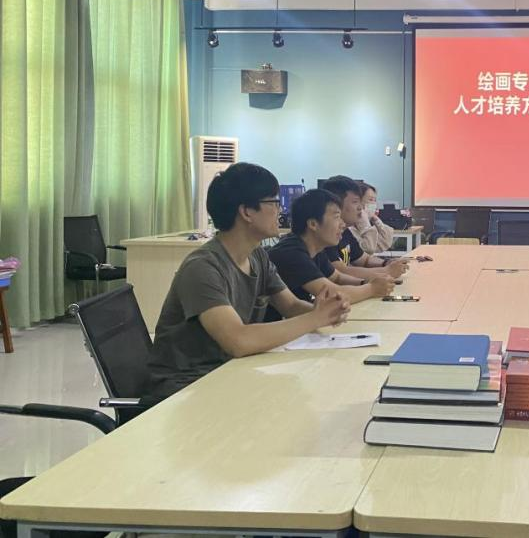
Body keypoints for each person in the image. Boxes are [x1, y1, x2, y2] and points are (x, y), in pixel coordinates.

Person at [142, 163, 351, 404]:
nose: (280, 209)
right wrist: (315, 318)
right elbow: (238, 340)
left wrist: (327, 311)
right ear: (247, 212)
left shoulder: (257, 256)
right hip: (184, 390)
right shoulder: (202, 267)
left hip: (228, 374)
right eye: (273, 202)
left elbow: (291, 306)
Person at [266, 188, 395, 321]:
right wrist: (372, 288)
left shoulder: (315, 248)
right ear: (313, 224)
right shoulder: (291, 253)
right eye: (337, 217)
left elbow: (336, 277)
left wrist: (365, 282)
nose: (342, 224)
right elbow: (332, 293)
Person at [320, 175, 408, 280]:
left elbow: (364, 259)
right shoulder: (325, 235)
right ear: (336, 204)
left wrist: (386, 263)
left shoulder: (345, 231)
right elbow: (341, 272)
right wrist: (387, 271)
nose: (360, 207)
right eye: (355, 202)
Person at [350, 181, 396, 254]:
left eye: (375, 200)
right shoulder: (349, 229)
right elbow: (369, 249)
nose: (374, 204)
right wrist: (365, 224)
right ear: (358, 202)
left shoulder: (363, 226)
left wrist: (377, 221)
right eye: (370, 200)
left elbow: (385, 243)